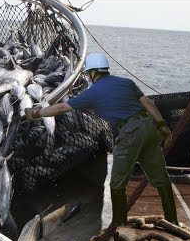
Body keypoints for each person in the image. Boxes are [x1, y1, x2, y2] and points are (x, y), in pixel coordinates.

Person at [25, 52, 178, 226]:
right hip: (149, 127)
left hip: (130, 132)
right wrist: (162, 125)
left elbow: (62, 107)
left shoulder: (93, 92)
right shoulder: (127, 83)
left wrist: (36, 113)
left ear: (93, 73)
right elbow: (148, 103)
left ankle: (118, 226)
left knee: (117, 184)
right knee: (161, 178)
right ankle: (172, 220)